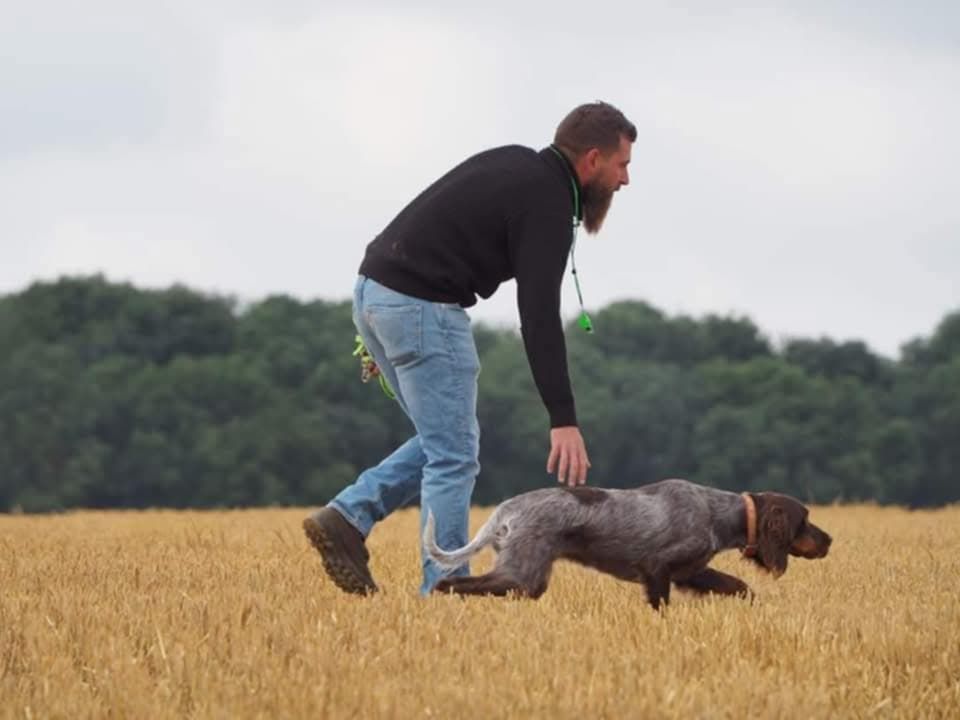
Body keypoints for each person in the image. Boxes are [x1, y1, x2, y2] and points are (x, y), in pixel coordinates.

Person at [303, 100, 636, 596]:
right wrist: (563, 418)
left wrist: (384, 322)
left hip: (374, 293)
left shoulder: (516, 162)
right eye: (622, 165)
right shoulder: (548, 202)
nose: (625, 179)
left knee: (443, 439)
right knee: (455, 454)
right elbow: (539, 316)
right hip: (422, 308)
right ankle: (446, 586)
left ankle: (348, 517)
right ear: (592, 159)